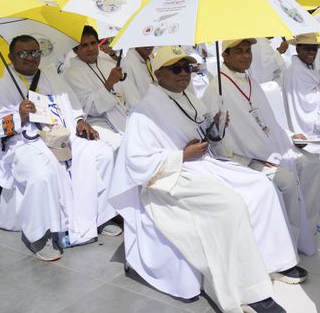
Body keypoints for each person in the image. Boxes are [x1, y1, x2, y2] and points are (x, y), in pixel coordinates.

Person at [109, 46, 306, 313]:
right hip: (170, 178)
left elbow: (202, 134)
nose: (184, 74)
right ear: (158, 72)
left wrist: (215, 131)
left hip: (202, 165)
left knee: (261, 187)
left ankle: (273, 262)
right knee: (230, 204)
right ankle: (248, 290)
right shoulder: (143, 112)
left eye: (187, 68)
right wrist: (181, 155)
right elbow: (138, 165)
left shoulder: (188, 97)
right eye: (176, 68)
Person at [0, 35, 120, 261]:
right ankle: (39, 234)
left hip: (63, 135)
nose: (30, 58)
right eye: (23, 53)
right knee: (43, 173)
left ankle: (100, 217)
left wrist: (81, 120)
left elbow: (73, 106)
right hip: (25, 143)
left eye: (35, 52)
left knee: (101, 154)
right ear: (11, 57)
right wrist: (17, 117)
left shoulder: (52, 78)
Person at [203, 38, 320, 254]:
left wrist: (290, 135)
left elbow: (269, 120)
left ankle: (306, 227)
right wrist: (218, 129)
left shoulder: (250, 80)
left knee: (313, 164)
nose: (246, 55)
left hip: (267, 145)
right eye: (239, 51)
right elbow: (214, 140)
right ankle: (286, 242)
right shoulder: (215, 89)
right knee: (287, 180)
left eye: (248, 51)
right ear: (225, 56)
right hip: (241, 156)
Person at [63, 25, 143, 150]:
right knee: (121, 146)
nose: (90, 48)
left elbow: (130, 96)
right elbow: (92, 109)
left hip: (122, 113)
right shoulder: (71, 74)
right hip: (97, 121)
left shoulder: (108, 64)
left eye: (93, 43)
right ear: (76, 50)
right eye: (84, 45)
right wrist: (109, 84)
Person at [282, 33, 320, 168]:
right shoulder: (297, 71)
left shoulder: (306, 67)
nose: (311, 52)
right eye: (307, 49)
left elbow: (318, 85)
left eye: (314, 49)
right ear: (298, 49)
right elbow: (310, 101)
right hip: (311, 123)